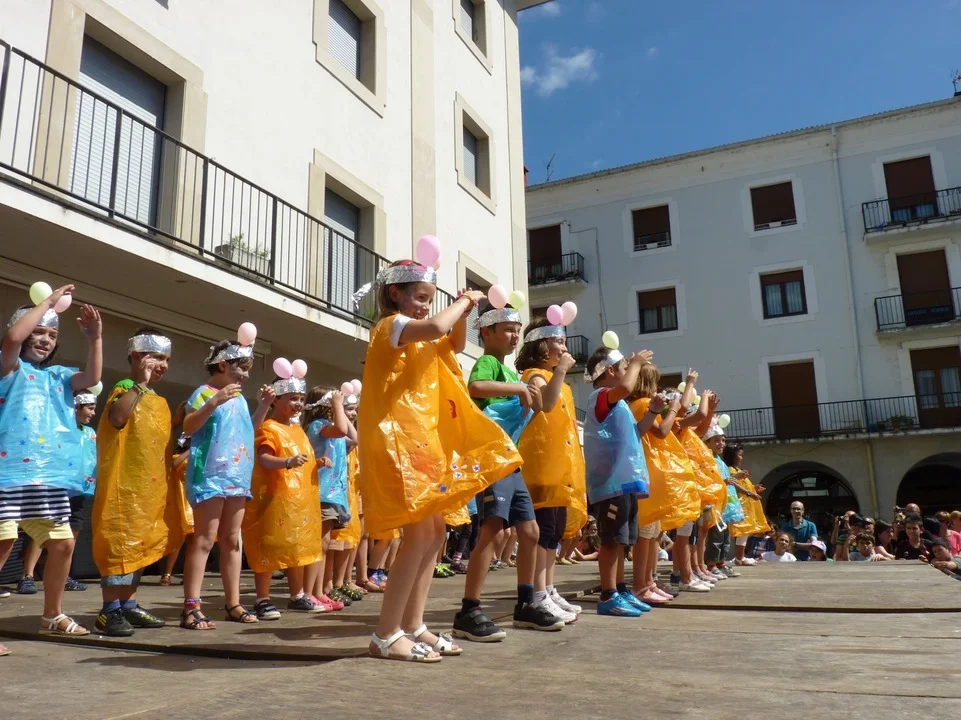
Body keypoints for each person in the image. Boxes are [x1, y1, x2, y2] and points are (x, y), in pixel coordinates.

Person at [357, 259, 520, 663]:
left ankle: (413, 625)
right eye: (420, 297)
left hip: (422, 444)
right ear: (394, 294)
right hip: (398, 442)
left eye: (430, 300)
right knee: (417, 535)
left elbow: (454, 343)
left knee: (433, 533)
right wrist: (462, 301)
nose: (425, 307)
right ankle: (385, 633)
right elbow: (435, 328)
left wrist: (464, 312)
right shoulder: (390, 327)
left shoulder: (423, 339)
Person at [451, 303, 565, 643]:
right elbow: (476, 387)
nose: (515, 336)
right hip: (492, 460)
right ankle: (469, 609)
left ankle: (526, 603)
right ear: (486, 333)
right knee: (491, 529)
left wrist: (555, 376)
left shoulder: (512, 373)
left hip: (510, 460)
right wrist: (519, 389)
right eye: (507, 330)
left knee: (530, 532)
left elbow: (543, 406)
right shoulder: (488, 362)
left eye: (517, 330)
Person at [0, 288, 102, 646]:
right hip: (7, 475)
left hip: (46, 477)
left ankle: (52, 614)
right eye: (39, 331)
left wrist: (95, 338)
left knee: (62, 544)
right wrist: (45, 303)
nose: (45, 339)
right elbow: (12, 339)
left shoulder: (57, 377)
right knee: (4, 539)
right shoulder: (9, 367)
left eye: (52, 334)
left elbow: (92, 378)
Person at [179, 339, 274, 629]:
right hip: (209, 474)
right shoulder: (203, 393)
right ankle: (191, 607)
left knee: (232, 540)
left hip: (237, 475)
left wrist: (264, 406)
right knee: (205, 539)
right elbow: (188, 426)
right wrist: (214, 402)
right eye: (241, 368)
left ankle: (233, 603)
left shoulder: (240, 399)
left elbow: (247, 430)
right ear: (223, 365)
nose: (246, 374)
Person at [94, 328, 180, 637]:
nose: (162, 365)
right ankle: (109, 610)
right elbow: (117, 418)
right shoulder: (125, 388)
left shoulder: (158, 399)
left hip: (148, 489)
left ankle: (128, 604)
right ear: (136, 357)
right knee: (119, 544)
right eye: (156, 357)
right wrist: (139, 384)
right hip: (124, 488)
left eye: (166, 359)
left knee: (140, 544)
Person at [515, 315, 588, 622]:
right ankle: (538, 593)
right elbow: (545, 404)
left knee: (554, 531)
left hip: (558, 466)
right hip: (541, 466)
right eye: (558, 341)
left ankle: (548, 588)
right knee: (544, 532)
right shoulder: (535, 375)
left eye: (564, 340)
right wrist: (560, 371)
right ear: (541, 346)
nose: (564, 346)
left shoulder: (554, 376)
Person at [242, 371, 325, 620]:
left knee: (296, 547)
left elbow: (302, 460)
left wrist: (317, 462)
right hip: (275, 499)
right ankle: (262, 598)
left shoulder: (298, 430)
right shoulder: (269, 427)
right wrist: (287, 461)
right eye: (292, 398)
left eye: (300, 398)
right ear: (276, 400)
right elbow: (264, 459)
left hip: (299, 501)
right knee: (270, 548)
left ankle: (297, 595)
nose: (298, 403)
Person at [583, 344, 654, 617]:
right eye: (624, 368)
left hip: (623, 483)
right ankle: (608, 594)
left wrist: (652, 413)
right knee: (611, 540)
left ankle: (620, 588)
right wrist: (636, 362)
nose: (629, 372)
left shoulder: (618, 403)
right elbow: (624, 387)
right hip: (610, 484)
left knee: (622, 540)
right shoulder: (602, 396)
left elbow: (636, 433)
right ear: (611, 371)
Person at [626, 364, 700, 603]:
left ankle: (648, 582)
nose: (657, 386)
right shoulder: (641, 404)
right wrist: (673, 409)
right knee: (646, 533)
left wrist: (679, 402)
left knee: (652, 532)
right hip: (649, 470)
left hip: (652, 471)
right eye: (654, 381)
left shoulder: (641, 404)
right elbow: (661, 431)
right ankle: (641, 584)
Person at [19, 389, 99, 595]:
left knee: (72, 533)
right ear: (76, 407)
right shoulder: (58, 428)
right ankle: (27, 575)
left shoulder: (90, 433)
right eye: (90, 408)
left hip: (79, 489)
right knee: (43, 531)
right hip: (56, 488)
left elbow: (92, 457)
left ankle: (63, 576)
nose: (93, 413)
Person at [304, 386, 356, 611]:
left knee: (324, 546)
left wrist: (339, 409)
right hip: (321, 492)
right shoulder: (318, 426)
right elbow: (342, 429)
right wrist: (338, 406)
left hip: (333, 493)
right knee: (319, 545)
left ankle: (318, 592)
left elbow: (354, 438)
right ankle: (310, 592)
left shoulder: (330, 427)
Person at [703, 419, 759, 579]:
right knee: (716, 536)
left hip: (725, 505)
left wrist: (735, 477)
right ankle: (711, 564)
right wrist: (725, 481)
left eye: (723, 440)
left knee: (725, 537)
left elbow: (726, 480)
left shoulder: (720, 461)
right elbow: (708, 481)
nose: (721, 443)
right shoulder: (708, 460)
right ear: (707, 442)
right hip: (715, 504)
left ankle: (721, 563)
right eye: (716, 440)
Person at [723, 441, 768, 567]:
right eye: (739, 455)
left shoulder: (737, 470)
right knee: (741, 532)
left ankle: (740, 557)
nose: (741, 458)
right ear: (732, 456)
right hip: (737, 506)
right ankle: (739, 557)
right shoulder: (730, 470)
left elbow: (741, 485)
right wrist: (749, 492)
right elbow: (733, 484)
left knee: (744, 532)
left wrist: (754, 488)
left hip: (744, 506)